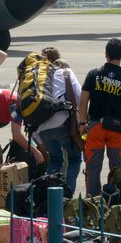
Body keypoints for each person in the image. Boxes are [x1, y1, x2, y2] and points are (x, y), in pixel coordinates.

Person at [78, 38, 121, 197]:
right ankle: (115, 202)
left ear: (106, 54)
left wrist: (82, 123)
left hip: (96, 126)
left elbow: (83, 103)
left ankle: (93, 202)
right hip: (117, 128)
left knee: (93, 168)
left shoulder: (93, 75)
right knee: (117, 169)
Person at [36, 49, 82, 193]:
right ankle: (66, 196)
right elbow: (79, 97)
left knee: (55, 160)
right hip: (62, 122)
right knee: (74, 158)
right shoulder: (65, 72)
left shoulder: (38, 77)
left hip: (42, 127)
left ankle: (48, 195)